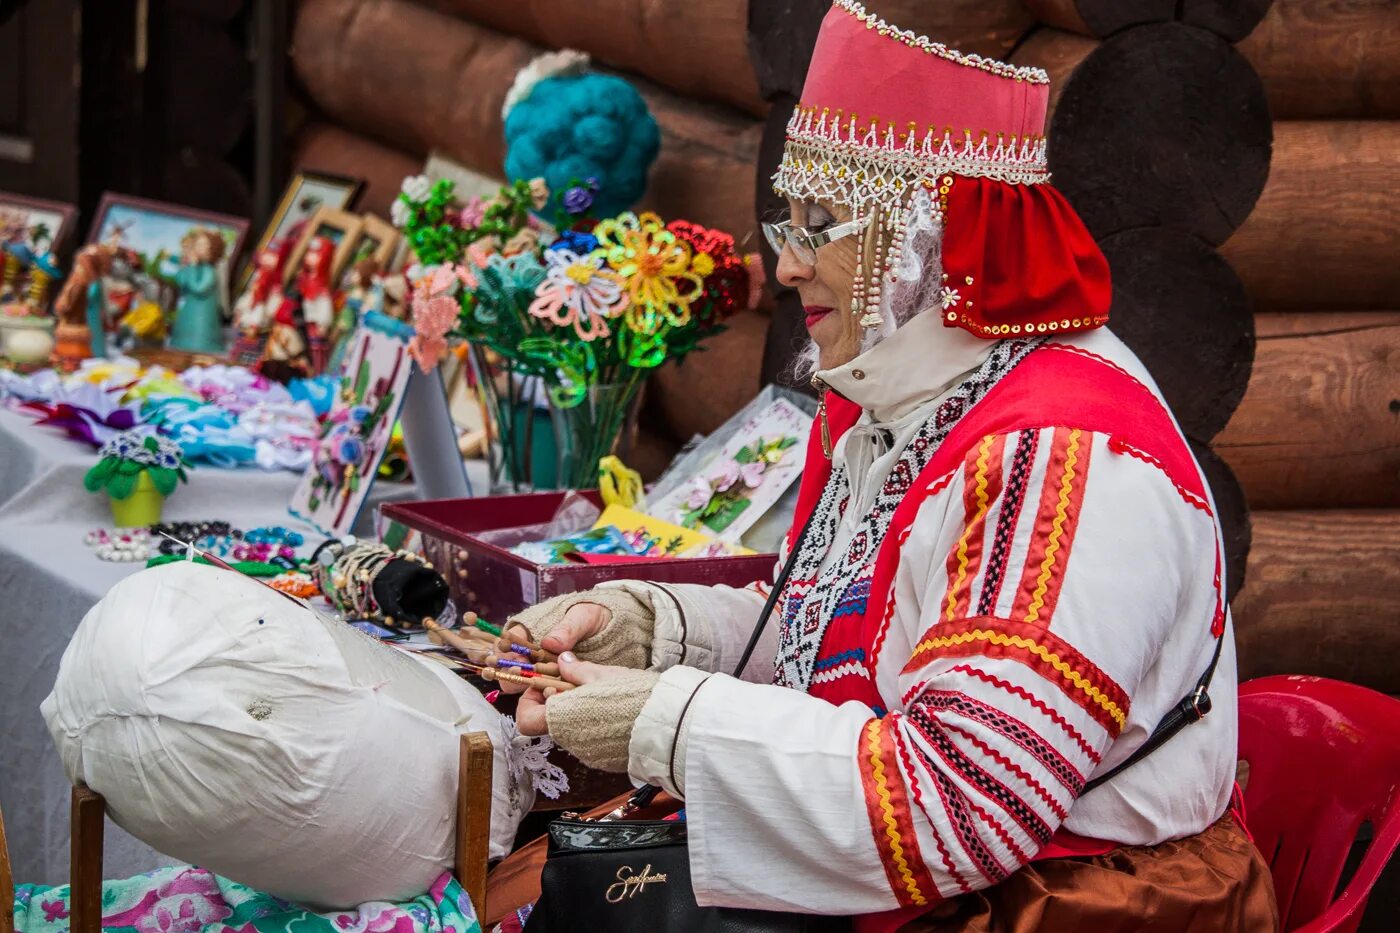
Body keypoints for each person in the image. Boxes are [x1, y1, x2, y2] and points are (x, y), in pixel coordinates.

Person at [508, 1, 1278, 929]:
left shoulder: (1060, 457)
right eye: (784, 221)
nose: (787, 267)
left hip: (1076, 902)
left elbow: (957, 806)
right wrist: (655, 631)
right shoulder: (907, 399)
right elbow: (844, 640)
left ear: (934, 237)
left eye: (823, 222)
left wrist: (667, 721)